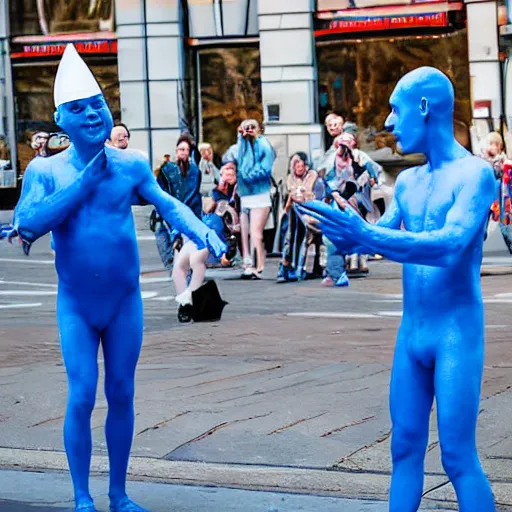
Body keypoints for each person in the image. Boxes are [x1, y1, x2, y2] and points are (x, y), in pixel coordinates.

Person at [0, 44, 226, 512]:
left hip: (125, 300)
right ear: (61, 120)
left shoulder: (131, 164)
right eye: (79, 109)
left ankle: (118, 493)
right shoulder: (45, 170)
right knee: (82, 393)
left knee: (122, 391)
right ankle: (82, 495)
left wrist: (201, 229)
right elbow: (28, 224)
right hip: (78, 305)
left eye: (98, 105)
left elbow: (168, 205)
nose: (92, 115)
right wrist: (83, 182)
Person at [298, 67, 496, 511]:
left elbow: (449, 247)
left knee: (457, 456)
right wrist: (338, 225)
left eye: (395, 109)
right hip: (413, 335)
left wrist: (367, 237)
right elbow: (378, 235)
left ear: (423, 108)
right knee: (403, 448)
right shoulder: (408, 182)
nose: (387, 123)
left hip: (455, 335)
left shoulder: (476, 176)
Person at [153, 135, 202, 269]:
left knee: (186, 251)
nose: (183, 152)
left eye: (185, 150)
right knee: (167, 248)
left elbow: (194, 195)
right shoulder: (167, 170)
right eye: (180, 149)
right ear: (176, 150)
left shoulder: (194, 172)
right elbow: (160, 192)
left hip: (186, 214)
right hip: (167, 213)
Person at [236, 119, 276, 279]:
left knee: (256, 232)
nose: (249, 130)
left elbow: (264, 168)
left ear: (259, 129)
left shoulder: (263, 144)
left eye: (252, 127)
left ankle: (259, 266)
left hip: (259, 194)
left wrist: (247, 176)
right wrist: (241, 138)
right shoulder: (244, 145)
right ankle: (249, 263)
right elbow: (239, 160)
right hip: (246, 194)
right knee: (245, 231)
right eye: (246, 128)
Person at [277, 152, 319, 283]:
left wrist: (299, 194)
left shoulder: (312, 174)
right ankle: (286, 265)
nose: (297, 168)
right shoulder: (290, 177)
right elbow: (294, 194)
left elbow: (306, 191)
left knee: (306, 236)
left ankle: (299, 267)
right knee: (289, 235)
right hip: (295, 212)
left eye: (299, 165)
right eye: (294, 165)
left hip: (310, 211)